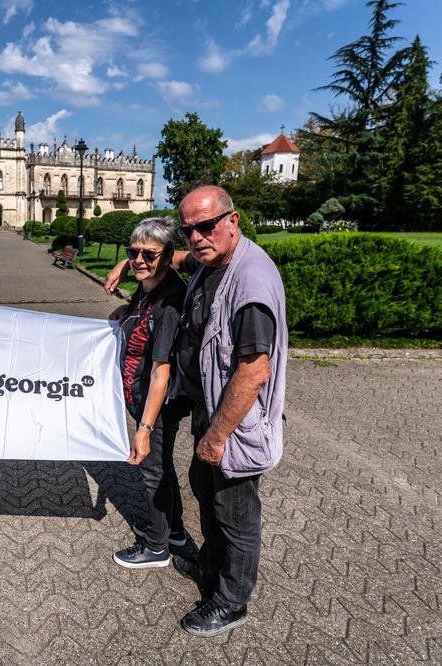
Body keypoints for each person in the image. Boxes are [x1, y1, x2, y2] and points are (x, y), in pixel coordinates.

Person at [105, 185, 287, 638]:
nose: (196, 237)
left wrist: (217, 435)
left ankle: (230, 601)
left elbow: (253, 371)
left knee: (235, 512)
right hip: (211, 408)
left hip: (235, 422)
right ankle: (211, 564)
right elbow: (177, 258)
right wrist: (126, 261)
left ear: (233, 220)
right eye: (188, 230)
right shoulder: (212, 259)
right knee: (206, 492)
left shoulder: (251, 283)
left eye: (206, 226)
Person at [109, 217, 189, 569]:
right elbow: (140, 317)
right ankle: (173, 529)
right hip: (141, 397)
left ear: (169, 255)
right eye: (132, 252)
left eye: (148, 254)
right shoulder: (148, 287)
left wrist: (144, 428)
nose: (139, 260)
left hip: (156, 403)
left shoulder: (169, 303)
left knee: (152, 470)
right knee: (161, 465)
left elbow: (161, 371)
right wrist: (125, 311)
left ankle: (157, 547)